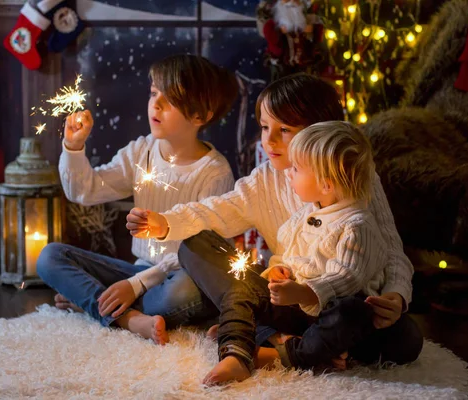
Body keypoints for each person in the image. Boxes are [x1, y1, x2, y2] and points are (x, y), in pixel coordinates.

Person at [127, 73, 423, 368]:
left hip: (341, 304)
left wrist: (395, 296)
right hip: (285, 301)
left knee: (406, 339)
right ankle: (293, 341)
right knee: (196, 245)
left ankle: (275, 339)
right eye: (265, 127)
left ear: (320, 133)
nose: (268, 141)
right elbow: (217, 210)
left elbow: (391, 251)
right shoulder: (265, 179)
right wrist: (165, 222)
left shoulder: (357, 181)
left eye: (284, 129)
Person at [36, 54, 238, 345]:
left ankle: (94, 303)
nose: (156, 104)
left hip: (182, 278)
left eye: (170, 99)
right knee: (51, 256)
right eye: (154, 93)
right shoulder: (141, 151)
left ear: (200, 116)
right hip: (139, 271)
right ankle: (127, 318)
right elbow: (85, 191)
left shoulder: (214, 173)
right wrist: (74, 146)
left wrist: (136, 285)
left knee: (183, 294)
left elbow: (202, 256)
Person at [204, 120, 406, 384]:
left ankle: (285, 355)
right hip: (297, 307)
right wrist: (281, 269)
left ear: (326, 184)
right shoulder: (308, 212)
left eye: (297, 169)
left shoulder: (357, 225)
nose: (289, 173)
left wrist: (305, 292)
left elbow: (346, 278)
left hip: (329, 313)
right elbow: (289, 252)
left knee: (351, 314)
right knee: (242, 288)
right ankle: (236, 348)